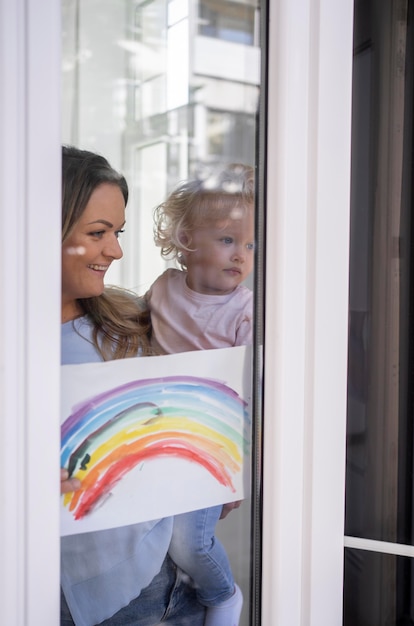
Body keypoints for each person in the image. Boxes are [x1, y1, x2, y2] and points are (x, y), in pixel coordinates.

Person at [60, 145, 206, 626]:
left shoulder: (130, 321)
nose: (116, 250)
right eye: (98, 233)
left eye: (116, 233)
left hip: (157, 585)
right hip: (48, 590)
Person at [145, 163, 255, 626]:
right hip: (156, 434)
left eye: (249, 244)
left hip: (211, 440)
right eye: (228, 240)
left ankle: (224, 595)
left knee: (190, 541)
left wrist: (237, 468)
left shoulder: (246, 310)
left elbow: (252, 395)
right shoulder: (162, 289)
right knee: (159, 531)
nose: (241, 256)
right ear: (187, 241)